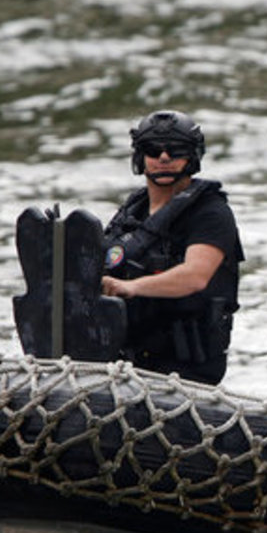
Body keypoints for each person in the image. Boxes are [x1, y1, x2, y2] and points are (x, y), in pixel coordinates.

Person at [101, 109, 244, 384]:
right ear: (140, 158)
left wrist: (132, 287)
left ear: (192, 156)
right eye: (154, 151)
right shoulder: (133, 211)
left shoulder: (211, 213)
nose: (164, 158)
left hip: (186, 370)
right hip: (128, 360)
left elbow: (195, 276)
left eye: (175, 151)